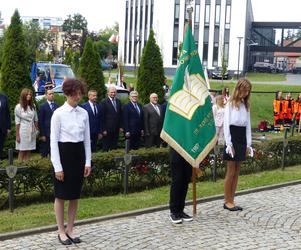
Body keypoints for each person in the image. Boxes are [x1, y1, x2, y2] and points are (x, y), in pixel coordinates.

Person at [50, 78, 91, 245]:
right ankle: (61, 230)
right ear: (67, 94)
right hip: (63, 155)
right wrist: (57, 166)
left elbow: (87, 140)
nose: (77, 96)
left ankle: (71, 228)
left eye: (80, 93)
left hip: (78, 155)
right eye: (74, 93)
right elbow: (53, 141)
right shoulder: (58, 113)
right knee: (61, 196)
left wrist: (88, 162)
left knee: (74, 196)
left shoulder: (84, 113)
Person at [223, 78, 253, 211]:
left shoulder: (245, 105)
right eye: (244, 90)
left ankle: (232, 199)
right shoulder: (230, 103)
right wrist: (229, 143)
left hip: (242, 138)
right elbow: (226, 124)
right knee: (230, 171)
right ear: (239, 88)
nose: (246, 93)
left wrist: (249, 144)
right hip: (232, 137)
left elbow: (248, 126)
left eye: (248, 91)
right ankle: (227, 201)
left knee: (237, 171)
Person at [169, 148, 193, 224]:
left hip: (187, 151)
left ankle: (180, 210)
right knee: (177, 180)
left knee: (185, 179)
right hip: (176, 150)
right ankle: (174, 211)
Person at [15, 88, 39, 161]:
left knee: (29, 150)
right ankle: (20, 168)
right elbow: (17, 122)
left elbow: (36, 119)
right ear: (23, 95)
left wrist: (37, 130)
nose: (29, 96)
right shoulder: (18, 107)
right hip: (23, 130)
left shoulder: (33, 106)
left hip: (31, 130)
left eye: (30, 94)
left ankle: (27, 168)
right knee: (22, 150)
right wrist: (17, 135)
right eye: (27, 94)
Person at [100, 86, 123, 151]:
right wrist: (103, 129)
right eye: (111, 92)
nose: (113, 93)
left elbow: (120, 115)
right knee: (106, 147)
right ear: (108, 93)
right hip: (107, 130)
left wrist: (121, 126)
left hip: (116, 129)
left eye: (114, 92)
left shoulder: (118, 101)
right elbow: (102, 117)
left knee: (114, 147)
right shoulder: (104, 102)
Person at [38, 89, 58, 157]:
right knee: (45, 152)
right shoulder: (42, 106)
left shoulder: (57, 106)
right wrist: (42, 134)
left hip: (55, 132)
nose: (52, 95)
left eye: (52, 94)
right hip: (46, 133)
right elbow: (40, 121)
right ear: (46, 96)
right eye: (50, 94)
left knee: (54, 152)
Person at [0, 93, 11, 159]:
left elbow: (7, 113)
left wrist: (8, 127)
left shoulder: (4, 97)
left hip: (2, 127)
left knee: (1, 145)